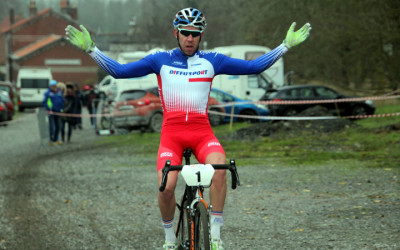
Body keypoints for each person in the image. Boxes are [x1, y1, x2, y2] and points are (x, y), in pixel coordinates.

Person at [65, 7, 311, 249]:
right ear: (176, 33)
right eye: (185, 32)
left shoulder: (213, 61)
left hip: (202, 133)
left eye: (195, 33)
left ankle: (215, 236)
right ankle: (169, 239)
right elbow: (119, 71)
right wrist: (92, 50)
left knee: (220, 169)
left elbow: (254, 67)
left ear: (201, 35)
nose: (190, 38)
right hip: (171, 136)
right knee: (167, 187)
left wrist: (285, 46)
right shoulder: (159, 59)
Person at [42, 79, 65, 146]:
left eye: (54, 85)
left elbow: (62, 101)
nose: (53, 87)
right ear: (50, 86)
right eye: (52, 86)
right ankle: (51, 140)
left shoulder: (59, 92)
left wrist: (62, 109)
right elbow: (44, 102)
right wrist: (49, 109)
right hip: (51, 112)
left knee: (58, 126)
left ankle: (56, 140)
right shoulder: (47, 93)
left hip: (58, 112)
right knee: (52, 127)